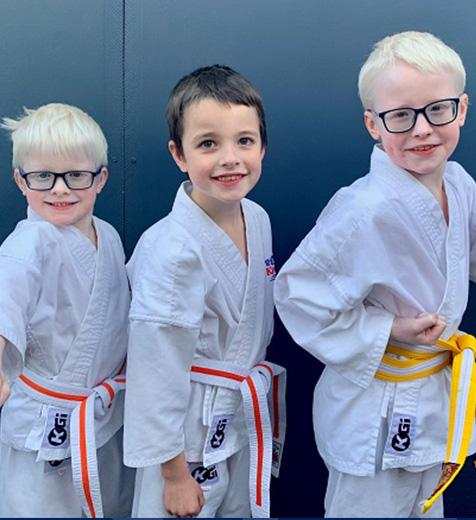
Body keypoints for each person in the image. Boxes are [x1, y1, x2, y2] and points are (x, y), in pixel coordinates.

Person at [274, 31, 476, 517]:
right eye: (401, 116)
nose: (423, 129)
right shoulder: (362, 209)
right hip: (375, 408)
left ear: (462, 109)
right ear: (373, 124)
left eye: (438, 110)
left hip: (432, 395)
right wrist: (391, 329)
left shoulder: (459, 183)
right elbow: (297, 293)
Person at [124, 65, 285, 518]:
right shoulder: (171, 249)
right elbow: (154, 372)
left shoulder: (257, 217)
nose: (230, 158)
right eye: (208, 143)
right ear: (179, 154)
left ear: (263, 146)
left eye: (244, 141)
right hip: (184, 433)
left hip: (236, 417)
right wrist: (172, 474)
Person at [0, 103, 133, 518]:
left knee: (112, 505)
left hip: (103, 418)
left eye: (76, 175)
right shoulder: (26, 246)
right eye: (43, 177)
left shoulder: (108, 236)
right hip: (44, 428)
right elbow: (6, 305)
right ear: (20, 181)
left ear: (101, 178)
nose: (60, 189)